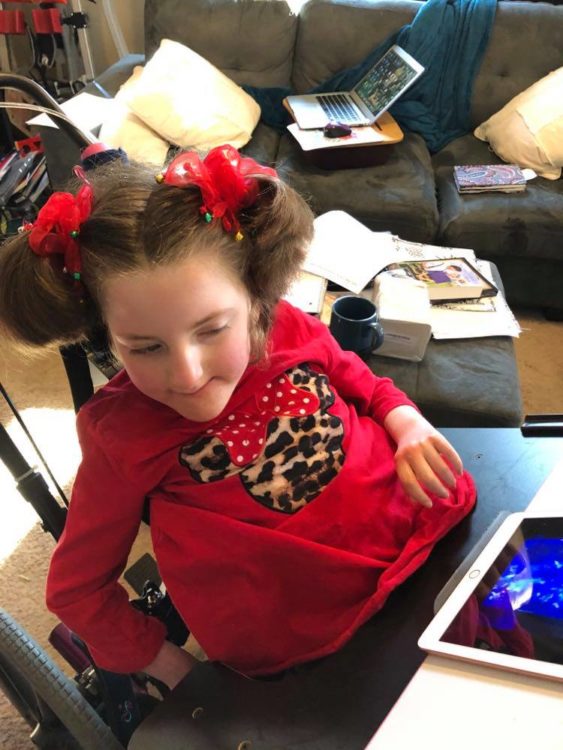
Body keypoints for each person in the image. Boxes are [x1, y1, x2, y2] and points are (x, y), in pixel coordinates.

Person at [0, 144, 476, 690]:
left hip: (419, 530)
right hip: (300, 639)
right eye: (145, 347)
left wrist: (405, 421)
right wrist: (171, 666)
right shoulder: (119, 435)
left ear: (257, 298)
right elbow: (76, 590)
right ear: (105, 335)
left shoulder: (286, 325)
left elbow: (356, 378)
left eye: (211, 330)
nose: (188, 375)